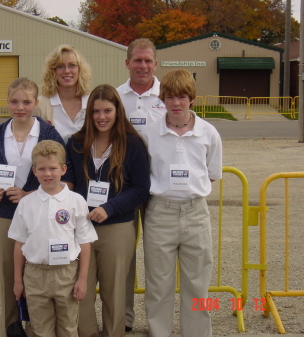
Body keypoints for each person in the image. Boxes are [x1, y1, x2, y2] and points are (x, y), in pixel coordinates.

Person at [0, 77, 65, 337]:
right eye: (14, 101)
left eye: (26, 102)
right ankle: (11, 324)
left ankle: (36, 326)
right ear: (7, 102)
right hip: (4, 213)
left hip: (40, 213)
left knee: (37, 271)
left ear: (36, 103)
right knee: (8, 272)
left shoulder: (49, 133)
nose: (20, 107)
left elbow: (62, 175)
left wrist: (28, 193)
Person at [141, 69, 222, 337]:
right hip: (159, 212)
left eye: (183, 97)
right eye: (171, 97)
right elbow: (145, 173)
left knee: (198, 284)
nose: (176, 103)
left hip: (195, 213)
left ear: (192, 98)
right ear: (162, 98)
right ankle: (159, 332)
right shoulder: (149, 134)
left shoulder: (209, 133)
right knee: (158, 284)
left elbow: (212, 175)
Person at [65, 84, 150, 337]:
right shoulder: (76, 143)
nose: (102, 117)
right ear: (89, 113)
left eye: (108, 111)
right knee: (81, 291)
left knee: (115, 292)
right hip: (82, 229)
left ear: (117, 111)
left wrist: (110, 207)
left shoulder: (132, 143)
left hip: (117, 227)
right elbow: (69, 184)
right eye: (96, 111)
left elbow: (141, 188)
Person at [9, 140, 98, 337]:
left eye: (52, 168)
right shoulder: (26, 203)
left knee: (68, 327)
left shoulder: (76, 201)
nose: (47, 174)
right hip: (35, 274)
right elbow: (19, 244)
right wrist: (18, 280)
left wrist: (82, 279)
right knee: (40, 330)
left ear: (63, 169)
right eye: (42, 169)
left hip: (66, 274)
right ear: (34, 171)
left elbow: (85, 242)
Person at [116, 37, 167, 332]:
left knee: (157, 258)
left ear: (156, 64)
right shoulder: (116, 97)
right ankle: (123, 318)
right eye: (137, 60)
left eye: (148, 60)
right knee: (122, 256)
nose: (143, 66)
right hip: (124, 188)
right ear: (127, 63)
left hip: (159, 189)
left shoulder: (168, 95)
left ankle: (157, 322)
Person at [35, 44, 92, 143]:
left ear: (80, 69)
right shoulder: (40, 105)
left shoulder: (92, 102)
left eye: (72, 65)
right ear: (53, 71)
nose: (67, 71)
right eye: (61, 66)